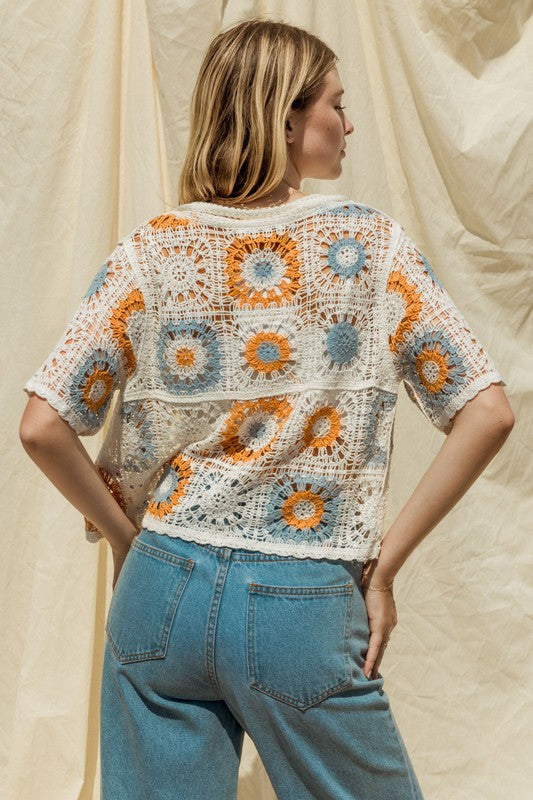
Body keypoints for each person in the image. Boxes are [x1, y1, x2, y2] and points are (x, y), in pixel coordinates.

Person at [19, 16, 514, 800]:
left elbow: (43, 424)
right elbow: (486, 411)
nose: (347, 124)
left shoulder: (153, 249)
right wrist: (379, 573)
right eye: (335, 105)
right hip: (301, 601)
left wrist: (127, 542)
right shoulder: (369, 247)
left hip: (160, 588)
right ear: (286, 116)